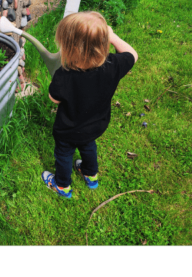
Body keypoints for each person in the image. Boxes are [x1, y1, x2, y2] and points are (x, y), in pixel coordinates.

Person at [42, 12, 138, 199]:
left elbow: (54, 98)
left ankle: (62, 185)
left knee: (64, 154)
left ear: (70, 48)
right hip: (95, 125)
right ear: (104, 42)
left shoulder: (64, 74)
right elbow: (133, 54)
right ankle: (90, 174)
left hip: (68, 130)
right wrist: (113, 36)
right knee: (88, 146)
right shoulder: (112, 65)